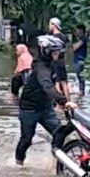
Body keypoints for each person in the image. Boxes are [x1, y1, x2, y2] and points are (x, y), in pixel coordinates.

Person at [15, 35, 77, 165]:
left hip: (45, 107)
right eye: (55, 52)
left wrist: (58, 101)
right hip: (29, 109)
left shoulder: (51, 64)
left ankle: (55, 160)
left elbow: (54, 85)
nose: (58, 54)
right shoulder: (41, 68)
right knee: (26, 139)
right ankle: (18, 164)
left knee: (59, 132)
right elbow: (47, 85)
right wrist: (63, 101)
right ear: (47, 51)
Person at [48, 17, 70, 101]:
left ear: (54, 25)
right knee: (64, 82)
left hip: (55, 62)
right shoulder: (64, 37)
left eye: (50, 24)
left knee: (56, 82)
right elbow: (66, 51)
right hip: (62, 62)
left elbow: (52, 52)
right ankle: (68, 102)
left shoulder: (53, 38)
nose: (49, 26)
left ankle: (58, 104)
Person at [72, 24, 88, 96]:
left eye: (77, 30)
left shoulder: (83, 38)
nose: (76, 32)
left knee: (80, 76)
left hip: (80, 60)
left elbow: (74, 47)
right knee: (79, 76)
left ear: (81, 30)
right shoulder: (79, 39)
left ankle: (82, 91)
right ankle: (81, 90)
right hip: (77, 59)